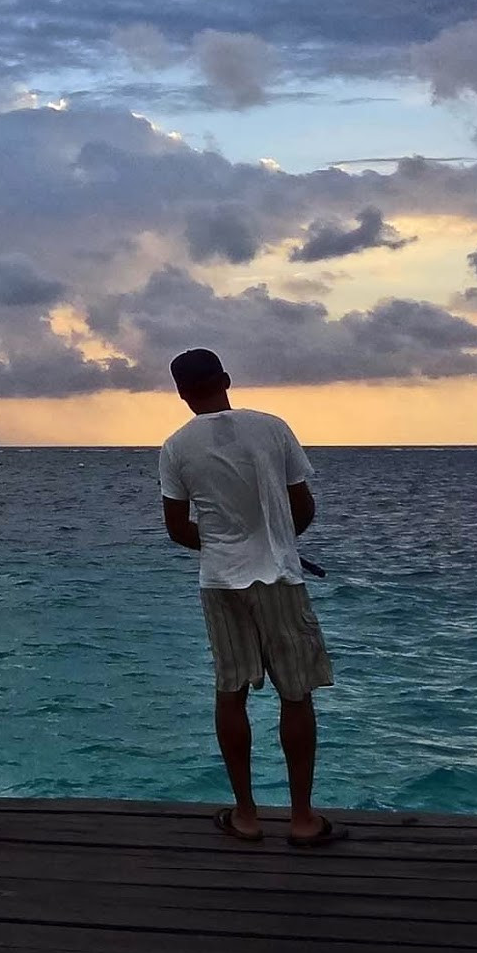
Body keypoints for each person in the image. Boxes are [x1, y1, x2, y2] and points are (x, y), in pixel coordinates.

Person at [158, 347, 347, 848]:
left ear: (180, 393)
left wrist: (221, 543)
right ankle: (303, 818)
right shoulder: (272, 427)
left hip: (221, 581)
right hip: (281, 578)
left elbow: (177, 528)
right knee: (296, 695)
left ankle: (246, 813)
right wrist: (282, 542)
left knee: (231, 691)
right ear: (226, 379)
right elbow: (302, 504)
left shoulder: (176, 447)